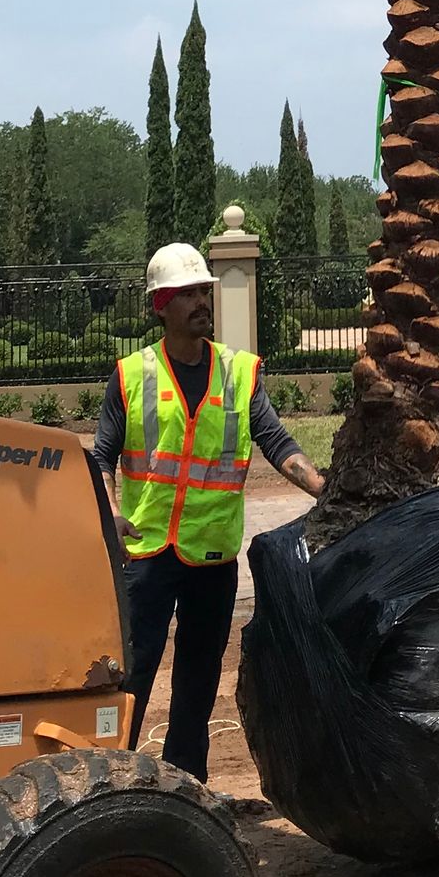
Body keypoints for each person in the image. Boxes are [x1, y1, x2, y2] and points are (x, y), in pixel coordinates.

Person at [90, 240, 324, 781]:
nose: (201, 301)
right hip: (146, 552)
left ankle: (185, 786)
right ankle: (112, 784)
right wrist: (111, 515)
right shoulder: (132, 375)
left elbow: (276, 443)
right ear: (161, 305)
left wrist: (324, 488)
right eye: (188, 293)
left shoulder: (238, 373)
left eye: (203, 291)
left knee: (197, 679)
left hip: (212, 556)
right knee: (134, 672)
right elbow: (101, 455)